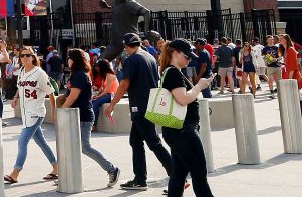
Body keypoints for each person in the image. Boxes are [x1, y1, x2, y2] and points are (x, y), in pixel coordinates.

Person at [107, 33, 173, 191]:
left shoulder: (132, 59)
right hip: (149, 104)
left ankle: (176, 174)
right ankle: (140, 178)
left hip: (140, 106)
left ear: (126, 46)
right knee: (135, 141)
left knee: (153, 142)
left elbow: (124, 84)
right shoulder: (149, 56)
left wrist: (111, 105)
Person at [158, 39, 216, 197]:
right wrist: (199, 86)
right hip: (183, 130)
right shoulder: (174, 73)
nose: (189, 60)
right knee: (199, 174)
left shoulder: (168, 71)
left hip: (176, 129)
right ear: (175, 53)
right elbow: (182, 99)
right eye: (187, 56)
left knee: (179, 174)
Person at [60, 48, 120, 186]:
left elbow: (74, 95)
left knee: (85, 147)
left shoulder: (80, 75)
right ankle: (68, 174)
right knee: (72, 146)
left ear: (74, 60)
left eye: (69, 57)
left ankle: (112, 169)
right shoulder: (78, 74)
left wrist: (62, 110)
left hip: (83, 116)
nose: (67, 60)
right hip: (76, 115)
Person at [6, 46, 58, 184]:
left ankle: (15, 173)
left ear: (33, 57)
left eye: (27, 55)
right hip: (26, 112)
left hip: (36, 112)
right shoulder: (22, 70)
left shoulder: (39, 73)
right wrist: (16, 98)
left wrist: (54, 112)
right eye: (22, 55)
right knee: (41, 142)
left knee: (22, 141)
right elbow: (20, 86)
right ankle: (57, 166)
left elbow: (51, 92)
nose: (24, 58)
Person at [90, 58, 118, 131]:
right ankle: (91, 123)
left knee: (96, 104)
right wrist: (96, 96)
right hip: (107, 94)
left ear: (102, 67)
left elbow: (107, 90)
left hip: (112, 95)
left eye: (98, 66)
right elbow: (101, 88)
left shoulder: (110, 75)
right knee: (92, 102)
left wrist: (98, 97)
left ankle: (94, 125)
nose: (96, 68)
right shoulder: (104, 75)